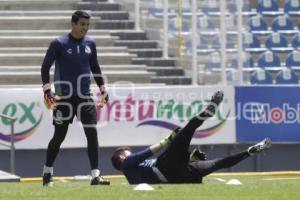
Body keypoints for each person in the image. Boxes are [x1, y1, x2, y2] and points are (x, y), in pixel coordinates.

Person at [111, 91, 272, 184]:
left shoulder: (134, 172)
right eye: (126, 152)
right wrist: (167, 141)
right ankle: (209, 111)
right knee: (187, 130)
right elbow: (146, 153)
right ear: (120, 157)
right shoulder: (127, 165)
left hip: (176, 175)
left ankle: (250, 151)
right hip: (166, 168)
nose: (129, 153)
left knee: (218, 163)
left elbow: (158, 165)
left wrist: (188, 158)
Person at [41, 10, 109, 186]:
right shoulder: (59, 43)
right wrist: (47, 90)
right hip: (64, 98)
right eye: (82, 24)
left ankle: (95, 176)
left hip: (85, 97)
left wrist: (103, 88)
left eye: (87, 25)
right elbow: (45, 66)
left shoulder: (91, 43)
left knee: (92, 132)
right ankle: (47, 172)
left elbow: (95, 66)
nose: (85, 28)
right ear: (73, 24)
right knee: (59, 136)